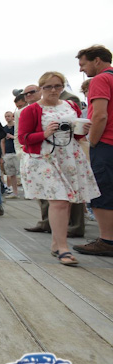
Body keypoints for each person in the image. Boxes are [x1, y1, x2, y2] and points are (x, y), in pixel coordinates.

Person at [19, 71, 100, 266]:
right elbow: (23, 138)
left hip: (69, 156)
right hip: (45, 158)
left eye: (57, 86)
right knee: (60, 201)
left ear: (63, 87)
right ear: (41, 89)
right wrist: (45, 133)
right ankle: (64, 248)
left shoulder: (71, 105)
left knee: (67, 201)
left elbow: (76, 136)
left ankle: (56, 244)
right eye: (48, 87)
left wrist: (82, 132)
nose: (53, 90)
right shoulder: (31, 110)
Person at [73, 45, 113, 257]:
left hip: (106, 144)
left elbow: (100, 115)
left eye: (83, 64)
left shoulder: (100, 79)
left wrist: (94, 141)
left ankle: (107, 240)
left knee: (101, 191)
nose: (82, 69)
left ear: (97, 60)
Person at [1, 111, 20, 199]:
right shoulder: (4, 128)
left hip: (17, 152)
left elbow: (21, 137)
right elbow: (2, 141)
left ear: (13, 117)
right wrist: (3, 154)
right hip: (8, 153)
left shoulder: (17, 127)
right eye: (5, 116)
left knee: (22, 172)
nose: (7, 118)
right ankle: (15, 192)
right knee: (11, 173)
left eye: (8, 116)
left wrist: (12, 137)